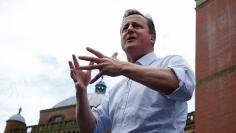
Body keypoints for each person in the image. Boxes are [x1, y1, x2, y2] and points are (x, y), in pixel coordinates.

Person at [68, 9, 195, 133]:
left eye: (136, 26)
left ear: (152, 38)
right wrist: (81, 91)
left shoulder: (171, 62)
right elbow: (90, 129)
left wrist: (122, 67)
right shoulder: (115, 91)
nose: (129, 29)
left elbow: (183, 87)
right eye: (125, 28)